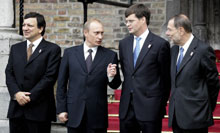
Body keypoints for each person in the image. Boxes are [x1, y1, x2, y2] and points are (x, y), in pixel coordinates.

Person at [56, 18, 121, 133]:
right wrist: (61, 109)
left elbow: (115, 85)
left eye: (102, 33)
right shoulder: (69, 53)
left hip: (97, 115)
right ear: (85, 33)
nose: (100, 37)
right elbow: (61, 83)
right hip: (74, 112)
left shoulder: (110, 55)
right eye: (96, 33)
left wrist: (111, 76)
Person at [5, 12, 61, 133]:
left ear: (40, 28)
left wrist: (28, 97)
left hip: (39, 110)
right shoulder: (16, 48)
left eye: (29, 25)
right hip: (17, 109)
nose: (25, 28)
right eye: (24, 25)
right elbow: (9, 73)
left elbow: (49, 77)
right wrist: (17, 94)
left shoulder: (52, 49)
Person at [119, 4, 171, 133]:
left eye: (131, 21)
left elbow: (165, 79)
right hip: (127, 109)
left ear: (143, 20)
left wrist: (159, 104)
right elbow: (127, 74)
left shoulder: (160, 44)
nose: (127, 24)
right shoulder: (123, 44)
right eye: (126, 21)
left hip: (150, 108)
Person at [166, 14, 220, 133]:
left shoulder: (203, 50)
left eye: (170, 29)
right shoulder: (174, 51)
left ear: (181, 30)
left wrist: (205, 108)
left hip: (196, 117)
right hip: (177, 117)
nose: (167, 33)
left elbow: (213, 84)